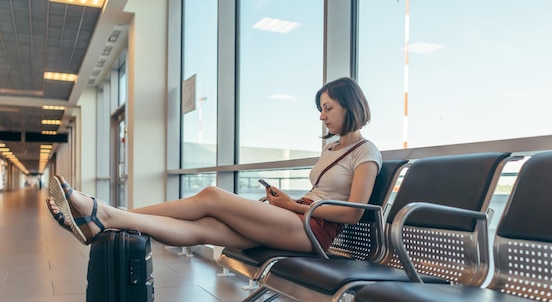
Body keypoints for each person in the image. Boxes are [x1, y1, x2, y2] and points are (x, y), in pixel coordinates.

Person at [46, 77, 382, 253]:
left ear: (349, 106)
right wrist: (287, 203)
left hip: (313, 231)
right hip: (296, 217)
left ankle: (105, 214)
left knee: (211, 195)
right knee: (203, 227)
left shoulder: (366, 153)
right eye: (321, 109)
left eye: (327, 108)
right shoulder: (332, 148)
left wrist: (293, 205)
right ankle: (105, 222)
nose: (321, 116)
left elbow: (354, 212)